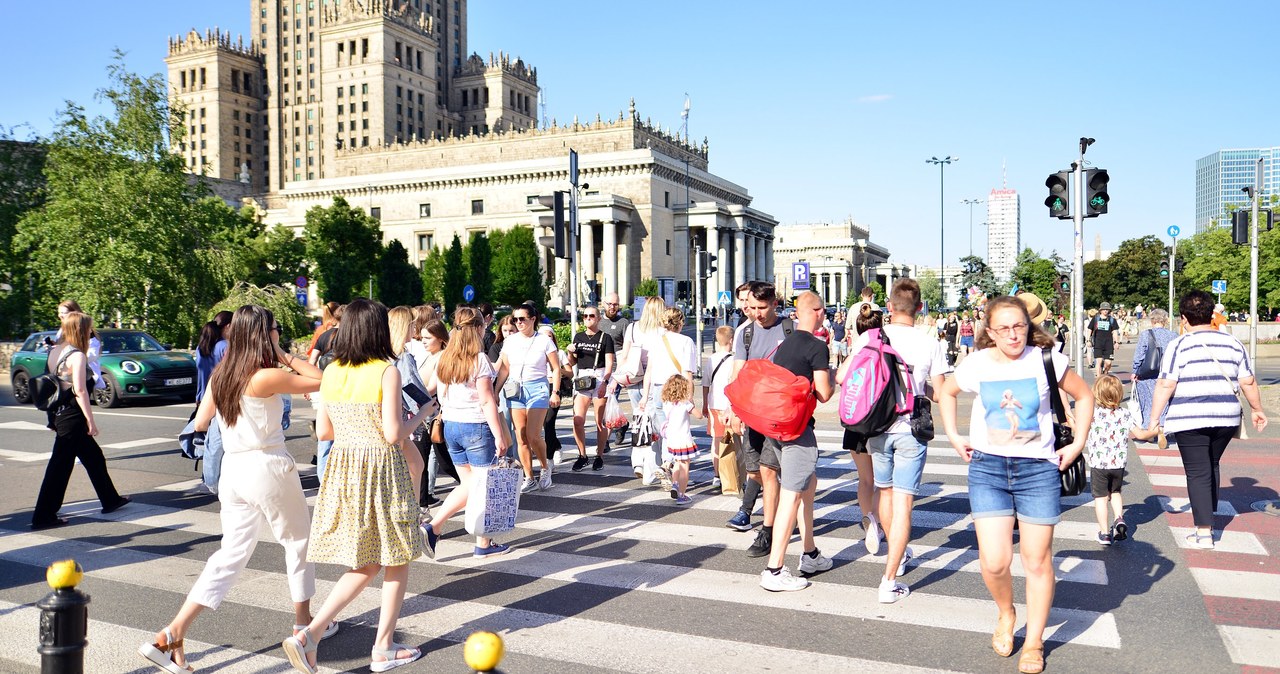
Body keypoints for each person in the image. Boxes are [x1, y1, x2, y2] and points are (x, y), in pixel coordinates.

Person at [139, 306, 329, 674]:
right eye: (275, 329)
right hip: (267, 463)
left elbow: (201, 420)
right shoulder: (265, 376)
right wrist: (282, 353)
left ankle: (172, 633)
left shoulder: (222, 375)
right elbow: (320, 378)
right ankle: (302, 626)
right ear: (263, 333)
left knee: (230, 554)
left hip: (234, 469)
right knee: (298, 542)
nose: (278, 333)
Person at [939, 295, 1094, 674]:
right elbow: (946, 391)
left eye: (1019, 326)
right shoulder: (977, 364)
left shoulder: (1047, 360)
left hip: (1038, 470)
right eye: (1004, 328)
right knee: (994, 562)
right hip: (988, 469)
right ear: (990, 332)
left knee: (1037, 562)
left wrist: (1078, 443)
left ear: (1029, 325)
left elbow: (1085, 395)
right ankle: (1007, 613)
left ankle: (1035, 641)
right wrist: (954, 436)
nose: (1013, 334)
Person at [283, 299, 432, 674]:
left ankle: (312, 634)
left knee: (366, 559)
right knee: (396, 556)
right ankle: (381, 647)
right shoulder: (386, 371)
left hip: (344, 467)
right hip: (382, 468)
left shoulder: (331, 371)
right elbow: (395, 434)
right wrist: (425, 412)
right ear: (377, 329)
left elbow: (323, 431)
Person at [851, 279, 950, 603]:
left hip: (877, 428)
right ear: (920, 308)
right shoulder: (929, 342)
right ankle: (889, 580)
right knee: (904, 504)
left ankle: (899, 551)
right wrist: (953, 429)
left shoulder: (871, 336)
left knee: (886, 493)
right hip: (911, 429)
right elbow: (941, 391)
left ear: (889, 308)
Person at [1146, 290, 1268, 550]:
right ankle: (1208, 512)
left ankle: (1204, 531)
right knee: (1211, 463)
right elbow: (1247, 380)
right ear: (1212, 314)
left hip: (1190, 416)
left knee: (1198, 471)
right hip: (1225, 416)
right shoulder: (1233, 343)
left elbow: (1166, 383)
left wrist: (1154, 418)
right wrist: (1257, 409)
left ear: (1183, 318)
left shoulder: (1179, 344)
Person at [421, 306, 513, 559]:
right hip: (476, 426)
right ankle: (437, 528)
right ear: (480, 328)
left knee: (471, 484)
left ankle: (476, 539)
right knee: (480, 486)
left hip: (451, 425)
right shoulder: (479, 359)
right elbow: (486, 401)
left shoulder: (445, 358)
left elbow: (435, 391)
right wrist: (499, 435)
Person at [759, 291, 835, 592]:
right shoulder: (817, 346)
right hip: (799, 432)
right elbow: (824, 393)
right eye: (823, 310)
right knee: (791, 496)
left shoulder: (786, 343)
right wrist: (834, 373)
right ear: (815, 311)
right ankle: (774, 570)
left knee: (806, 488)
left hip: (778, 427)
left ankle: (810, 553)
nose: (824, 314)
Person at [31, 311, 130, 530]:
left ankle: (110, 500)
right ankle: (43, 516)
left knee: (93, 457)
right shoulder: (77, 355)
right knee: (60, 467)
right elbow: (80, 391)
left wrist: (53, 418)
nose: (91, 332)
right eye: (88, 328)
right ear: (81, 330)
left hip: (61, 413)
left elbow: (53, 384)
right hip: (73, 416)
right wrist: (90, 421)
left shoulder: (55, 351)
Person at [724, 282, 793, 559]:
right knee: (754, 472)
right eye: (752, 307)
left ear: (775, 303)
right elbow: (738, 373)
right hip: (752, 413)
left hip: (778, 413)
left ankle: (768, 528)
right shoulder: (746, 333)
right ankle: (784, 509)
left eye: (762, 308)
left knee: (768, 470)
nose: (756, 313)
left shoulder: (790, 330)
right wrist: (733, 408)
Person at [493, 303, 562, 493]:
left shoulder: (544, 341)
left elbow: (556, 368)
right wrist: (496, 391)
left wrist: (555, 391)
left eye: (522, 319)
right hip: (515, 389)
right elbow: (505, 368)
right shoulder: (511, 341)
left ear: (533, 319)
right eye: (515, 319)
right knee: (520, 436)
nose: (518, 322)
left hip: (538, 387)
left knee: (533, 435)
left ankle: (545, 468)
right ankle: (529, 477)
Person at [836, 303, 885, 554]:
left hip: (857, 421)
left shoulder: (858, 349)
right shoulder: (886, 347)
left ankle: (869, 522)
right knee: (883, 481)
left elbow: (840, 378)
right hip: (880, 422)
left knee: (865, 479)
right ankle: (878, 521)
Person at [1086, 374, 1158, 546]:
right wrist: (1154, 432)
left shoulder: (1093, 414)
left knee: (1101, 498)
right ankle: (1119, 518)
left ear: (1097, 394)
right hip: (1118, 464)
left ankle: (1104, 533)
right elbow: (1140, 434)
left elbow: (1076, 426)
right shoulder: (1125, 414)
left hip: (1099, 464)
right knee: (1116, 493)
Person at [637, 307, 697, 494]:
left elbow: (649, 370)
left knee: (666, 432)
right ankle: (668, 464)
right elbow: (688, 373)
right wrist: (690, 398)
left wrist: (645, 396)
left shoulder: (657, 341)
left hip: (658, 390)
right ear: (681, 322)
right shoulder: (686, 341)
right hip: (677, 390)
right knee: (677, 431)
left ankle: (666, 464)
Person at [616, 297, 669, 481]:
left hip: (634, 377)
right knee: (655, 424)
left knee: (640, 421)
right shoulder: (663, 331)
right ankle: (653, 466)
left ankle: (640, 462)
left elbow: (624, 355)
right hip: (655, 379)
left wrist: (618, 376)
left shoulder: (633, 328)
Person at [568, 305, 615, 471]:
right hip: (583, 379)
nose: (588, 318)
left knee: (599, 422)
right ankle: (582, 455)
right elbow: (573, 362)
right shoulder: (578, 336)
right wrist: (569, 352)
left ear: (598, 318)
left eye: (592, 316)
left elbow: (609, 364)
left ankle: (599, 455)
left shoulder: (605, 338)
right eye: (585, 316)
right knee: (578, 420)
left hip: (599, 377)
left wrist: (605, 382)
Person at [413, 318, 452, 508]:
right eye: (422, 338)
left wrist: (408, 396)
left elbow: (431, 388)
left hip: (434, 415)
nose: (424, 341)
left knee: (445, 461)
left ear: (440, 338)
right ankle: (422, 502)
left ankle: (473, 486)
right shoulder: (429, 355)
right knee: (421, 458)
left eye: (428, 337)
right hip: (424, 413)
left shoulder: (442, 357)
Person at [308, 304, 343, 481]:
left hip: (325, 387)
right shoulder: (349, 337)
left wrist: (310, 385)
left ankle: (322, 477)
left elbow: (312, 360)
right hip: (344, 390)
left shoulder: (324, 335)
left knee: (324, 436)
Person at [1131, 308, 1178, 432]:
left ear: (1152, 320)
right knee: (1165, 400)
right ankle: (1162, 427)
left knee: (1147, 401)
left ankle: (1150, 430)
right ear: (1165, 321)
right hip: (1168, 373)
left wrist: (1135, 371)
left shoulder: (1146, 334)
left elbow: (1139, 355)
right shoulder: (1173, 335)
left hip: (1148, 373)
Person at [658, 374, 701, 505]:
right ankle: (681, 494)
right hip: (684, 439)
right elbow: (698, 416)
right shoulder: (685, 404)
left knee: (677, 462)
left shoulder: (666, 403)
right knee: (685, 465)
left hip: (672, 439)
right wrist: (691, 402)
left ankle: (675, 484)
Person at [702, 326, 735, 492]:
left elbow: (706, 384)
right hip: (730, 406)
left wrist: (704, 404)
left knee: (716, 441)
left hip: (714, 404)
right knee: (732, 441)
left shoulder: (711, 359)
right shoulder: (734, 361)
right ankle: (731, 473)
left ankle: (716, 475)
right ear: (731, 341)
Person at [597, 293, 631, 444]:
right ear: (604, 304)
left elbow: (628, 347)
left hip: (616, 370)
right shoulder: (598, 321)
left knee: (610, 401)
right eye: (610, 304)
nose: (612, 307)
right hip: (599, 369)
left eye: (615, 305)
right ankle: (622, 425)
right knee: (603, 404)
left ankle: (604, 443)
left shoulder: (623, 323)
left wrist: (621, 372)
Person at [1088, 302, 1119, 374]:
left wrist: (1116, 342)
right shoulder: (1096, 319)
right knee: (1099, 361)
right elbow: (1090, 329)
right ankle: (1099, 379)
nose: (1105, 311)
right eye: (1104, 309)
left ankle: (1105, 373)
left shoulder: (1112, 320)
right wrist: (1088, 340)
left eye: (1107, 309)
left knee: (1108, 363)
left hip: (1108, 344)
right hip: (1098, 343)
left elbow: (1114, 331)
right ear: (1100, 310)